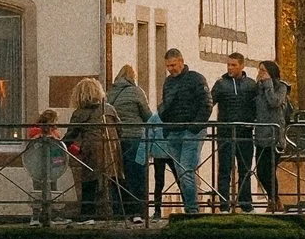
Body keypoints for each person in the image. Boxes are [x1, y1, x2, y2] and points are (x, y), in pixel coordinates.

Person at [155, 46, 210, 215]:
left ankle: (192, 209)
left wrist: (194, 127)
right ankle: (190, 208)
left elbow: (206, 104)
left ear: (181, 61)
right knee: (181, 172)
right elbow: (165, 104)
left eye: (173, 65)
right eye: (168, 66)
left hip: (190, 131)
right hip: (173, 131)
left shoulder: (196, 79)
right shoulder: (169, 82)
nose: (171, 69)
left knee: (186, 170)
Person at [63, 79, 121, 218]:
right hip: (112, 148)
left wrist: (58, 146)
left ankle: (87, 214)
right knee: (115, 182)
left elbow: (71, 135)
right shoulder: (109, 108)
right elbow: (120, 128)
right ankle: (116, 213)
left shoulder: (80, 113)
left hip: (92, 149)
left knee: (89, 181)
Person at [211, 49, 259, 208]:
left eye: (233, 65)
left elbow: (258, 106)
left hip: (245, 131)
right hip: (225, 132)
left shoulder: (251, 85)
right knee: (224, 170)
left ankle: (246, 204)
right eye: (228, 65)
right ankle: (223, 205)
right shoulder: (220, 84)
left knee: (245, 170)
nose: (230, 68)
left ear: (242, 66)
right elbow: (209, 103)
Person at [107, 62, 153, 217]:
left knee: (118, 176)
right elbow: (147, 116)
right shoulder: (136, 92)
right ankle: (138, 212)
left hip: (115, 140)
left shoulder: (109, 93)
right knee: (137, 175)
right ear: (132, 76)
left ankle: (119, 212)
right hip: (135, 138)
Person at [253, 57, 293, 208]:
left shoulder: (280, 87)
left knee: (269, 169)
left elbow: (274, 102)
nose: (261, 74)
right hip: (260, 134)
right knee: (260, 170)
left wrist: (268, 85)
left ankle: (274, 200)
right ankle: (274, 198)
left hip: (275, 135)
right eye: (260, 70)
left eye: (263, 71)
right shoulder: (258, 88)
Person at [20, 103, 67, 227]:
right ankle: (53, 215)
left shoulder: (34, 134)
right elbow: (59, 150)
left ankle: (36, 216)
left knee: (38, 191)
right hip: (50, 166)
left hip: (36, 167)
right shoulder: (53, 135)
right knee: (51, 190)